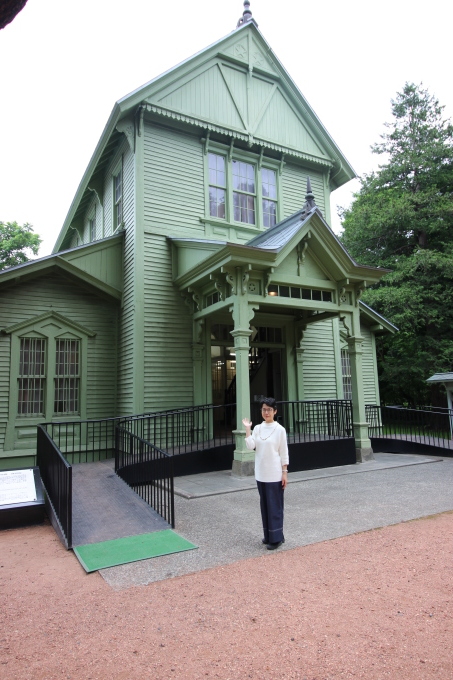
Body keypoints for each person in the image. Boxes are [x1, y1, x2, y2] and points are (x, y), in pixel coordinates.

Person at [242, 397, 289, 550]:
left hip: (274, 473)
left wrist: (284, 473)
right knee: (265, 506)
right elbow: (251, 446)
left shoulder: (280, 430)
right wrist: (248, 429)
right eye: (264, 409)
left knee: (275, 506)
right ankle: (269, 535)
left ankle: (276, 538)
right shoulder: (257, 428)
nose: (266, 412)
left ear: (275, 411)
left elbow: (284, 453)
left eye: (269, 409)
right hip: (261, 473)